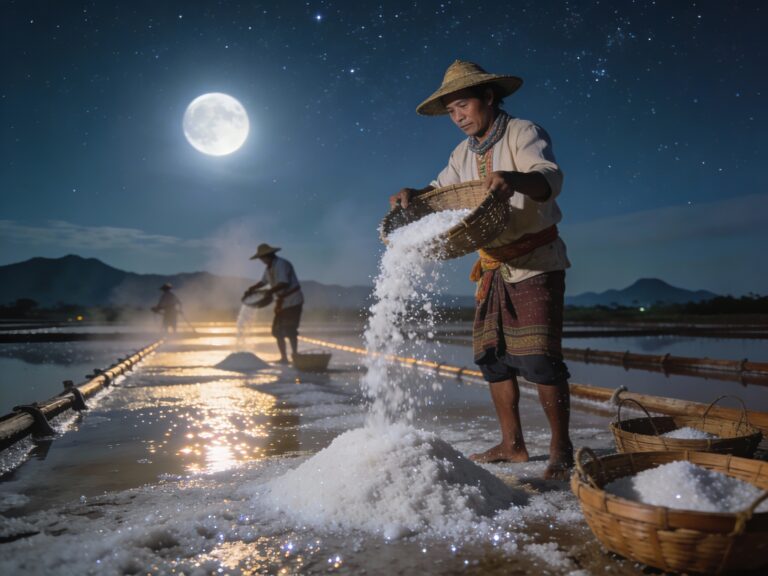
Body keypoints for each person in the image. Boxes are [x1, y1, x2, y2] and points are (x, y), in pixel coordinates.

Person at [390, 60, 573, 479]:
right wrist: (415, 194)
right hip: (492, 265)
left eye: (463, 106)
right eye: (451, 111)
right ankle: (512, 445)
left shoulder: (524, 132)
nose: (458, 117)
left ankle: (561, 448)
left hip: (534, 263)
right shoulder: (461, 153)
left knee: (541, 359)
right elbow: (443, 191)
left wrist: (514, 179)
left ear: (488, 97)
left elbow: (549, 178)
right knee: (493, 359)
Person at [244, 243, 304, 364]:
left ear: (267, 256)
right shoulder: (269, 268)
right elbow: (263, 282)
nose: (261, 260)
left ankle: (295, 355)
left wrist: (270, 292)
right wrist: (253, 288)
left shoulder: (281, 264)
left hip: (292, 301)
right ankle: (284, 358)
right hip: (282, 303)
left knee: (290, 329)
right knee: (277, 331)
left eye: (262, 258)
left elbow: (284, 283)